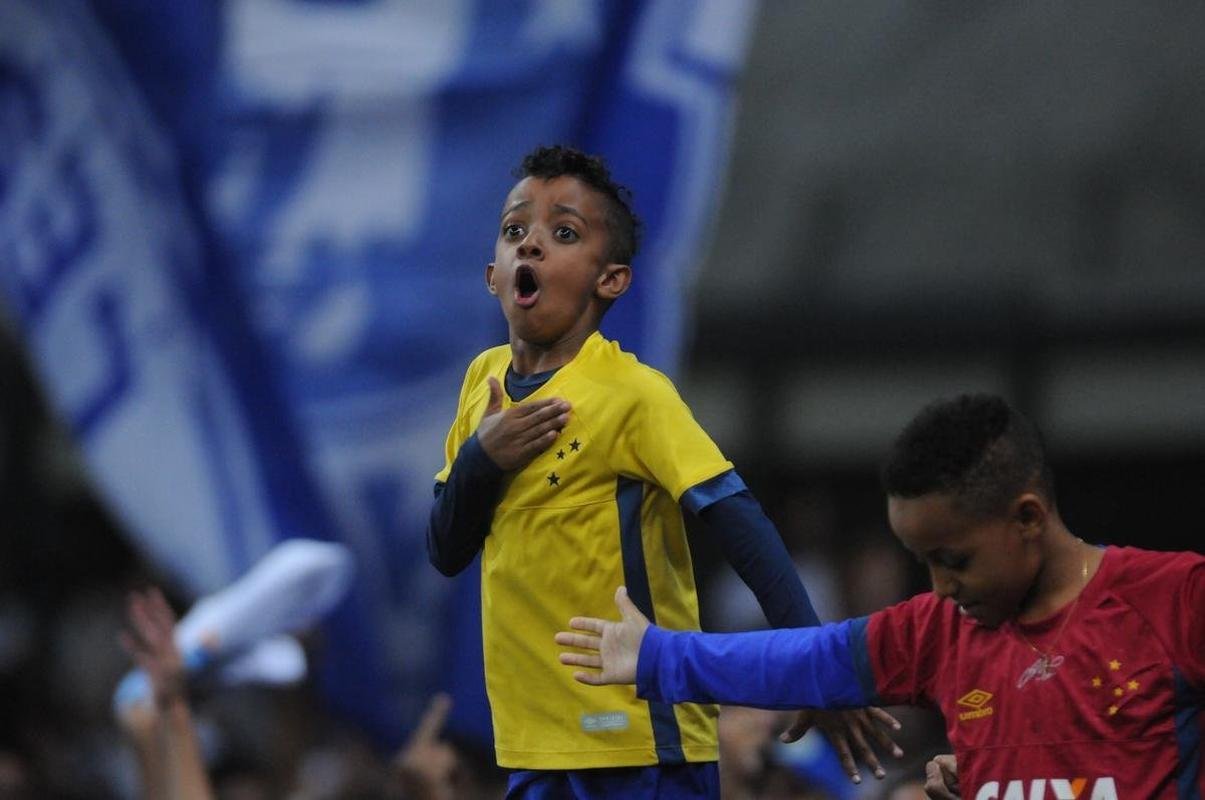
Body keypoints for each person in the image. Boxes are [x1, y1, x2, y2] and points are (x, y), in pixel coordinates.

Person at [427, 144, 900, 797]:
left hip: (641, 746)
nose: (529, 245)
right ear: (492, 274)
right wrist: (482, 457)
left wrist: (816, 670)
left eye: (562, 233)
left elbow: (743, 527)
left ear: (610, 279)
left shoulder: (632, 393)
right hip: (533, 748)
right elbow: (446, 549)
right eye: (515, 231)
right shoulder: (482, 386)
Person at [557, 394, 1205, 798]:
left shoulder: (1174, 600)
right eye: (922, 562)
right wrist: (657, 658)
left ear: (1028, 517)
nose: (938, 586)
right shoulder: (938, 631)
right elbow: (806, 658)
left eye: (954, 559)